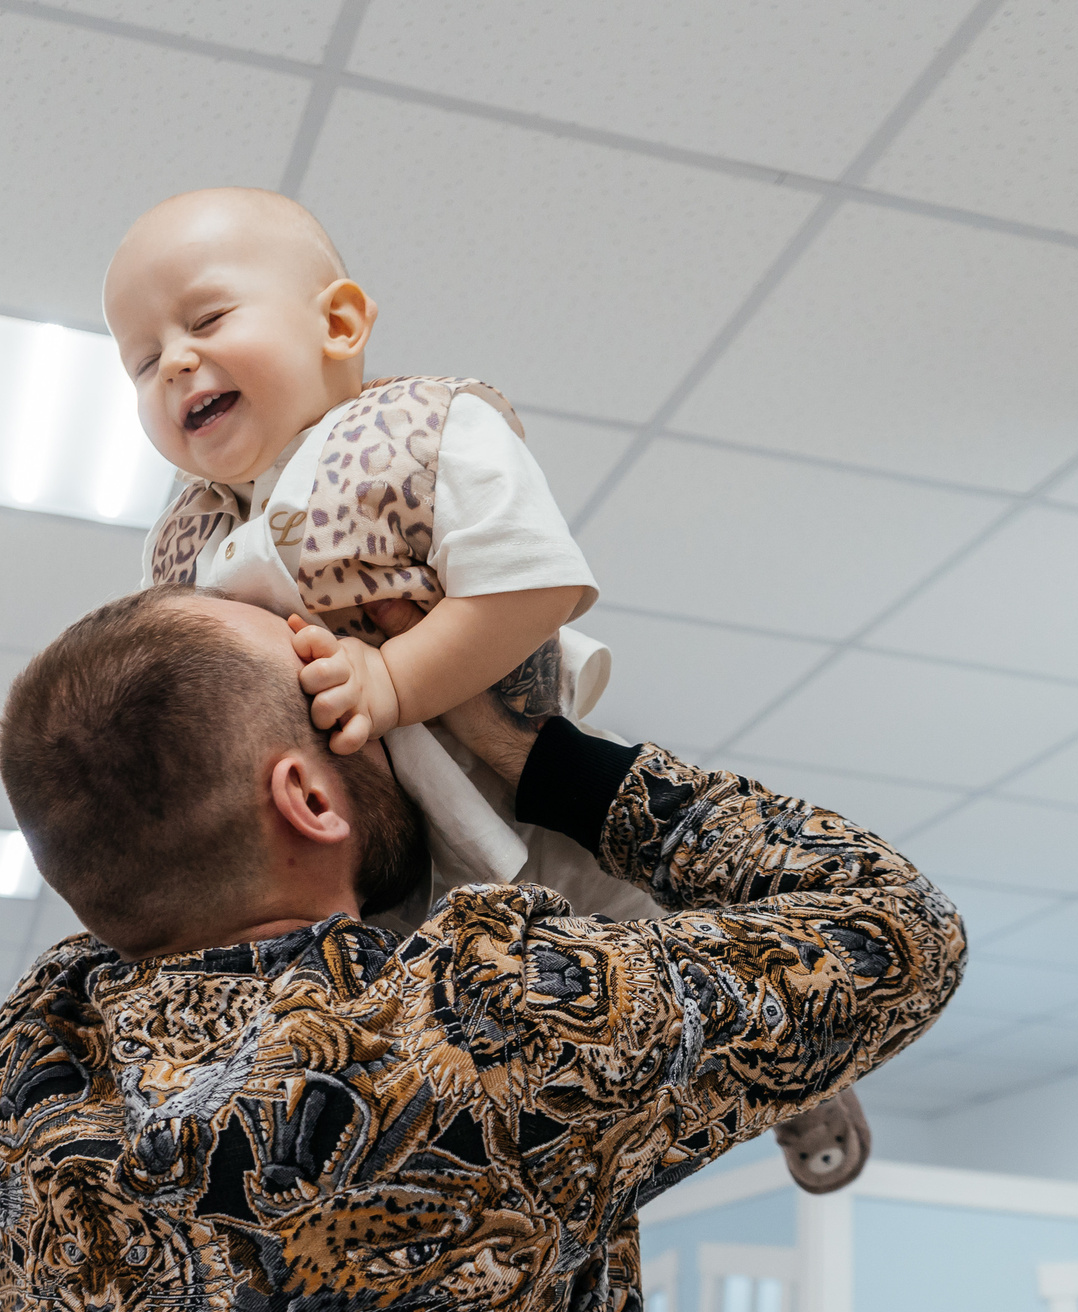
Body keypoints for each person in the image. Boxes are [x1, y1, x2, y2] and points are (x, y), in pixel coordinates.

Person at [0, 583, 966, 1312]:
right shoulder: (477, 1026)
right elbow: (894, 928)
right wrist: (537, 759)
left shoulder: (31, 1069)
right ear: (303, 792)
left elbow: (128, 812)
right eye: (327, 693)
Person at [103, 185, 872, 1192]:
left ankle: (793, 1072)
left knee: (632, 944)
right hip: (375, 855)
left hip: (510, 789)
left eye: (205, 321)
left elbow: (534, 583)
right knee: (471, 1046)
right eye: (144, 361)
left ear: (337, 323)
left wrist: (392, 675)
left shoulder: (423, 435)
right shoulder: (187, 538)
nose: (178, 365)